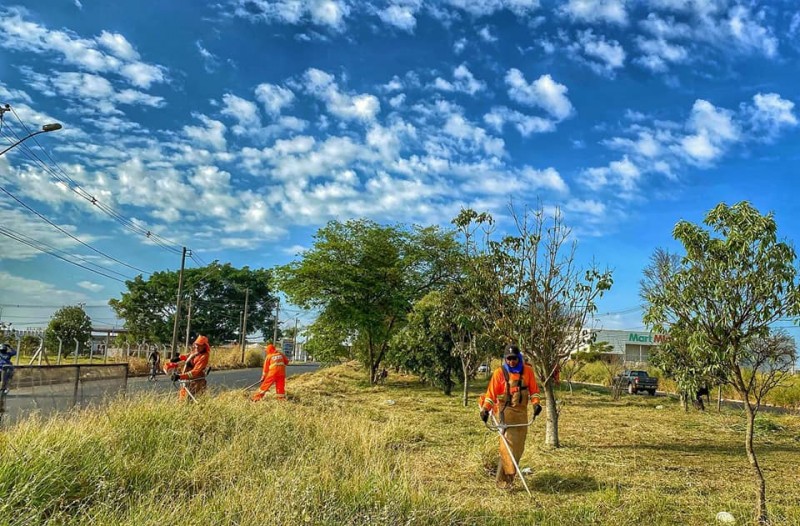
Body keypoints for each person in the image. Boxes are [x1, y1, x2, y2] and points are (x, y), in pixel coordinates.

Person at [479, 344, 542, 488]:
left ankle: (510, 478)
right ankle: (502, 483)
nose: (511, 362)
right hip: (505, 412)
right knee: (507, 447)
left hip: (521, 414)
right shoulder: (499, 373)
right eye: (508, 359)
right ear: (505, 359)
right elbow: (490, 395)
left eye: (514, 358)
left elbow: (534, 391)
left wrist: (536, 404)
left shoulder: (528, 371)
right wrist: (485, 410)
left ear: (518, 357)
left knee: (518, 449)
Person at [164, 335, 211, 401]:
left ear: (204, 346)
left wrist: (179, 376)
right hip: (187, 380)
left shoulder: (204, 357)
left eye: (199, 345)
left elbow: (195, 372)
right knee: (182, 400)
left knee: (193, 401)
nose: (196, 346)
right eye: (196, 344)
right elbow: (188, 356)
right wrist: (178, 358)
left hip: (196, 382)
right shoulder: (196, 351)